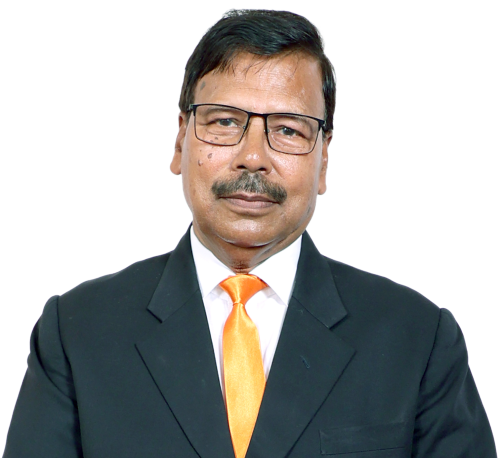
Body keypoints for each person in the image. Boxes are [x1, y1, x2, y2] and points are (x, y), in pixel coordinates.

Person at [3, 8, 496, 458]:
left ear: (324, 159)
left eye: (288, 129)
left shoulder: (417, 340)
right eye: (224, 121)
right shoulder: (77, 332)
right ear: (180, 142)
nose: (253, 156)